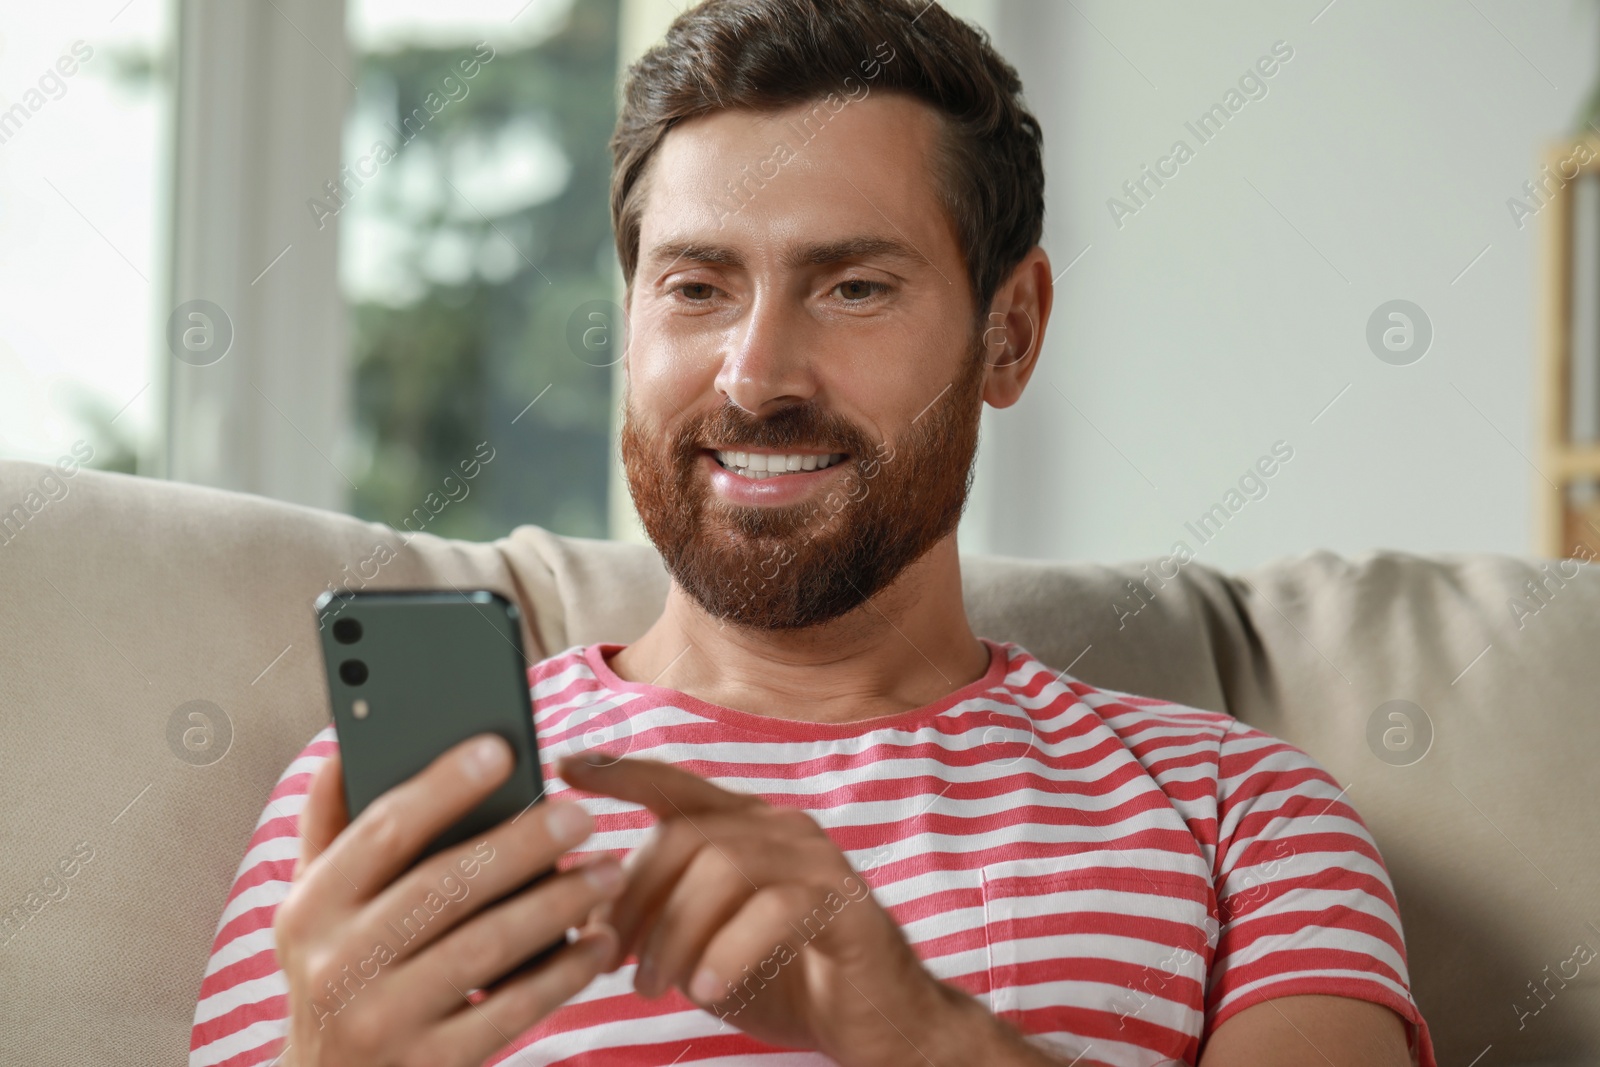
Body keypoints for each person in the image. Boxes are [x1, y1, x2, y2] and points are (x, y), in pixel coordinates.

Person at [190, 1, 1435, 1064]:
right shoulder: (381, 804)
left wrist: (919, 1034)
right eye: (697, 286)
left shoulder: (1245, 815)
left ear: (1009, 330)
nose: (753, 377)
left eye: (852, 286)